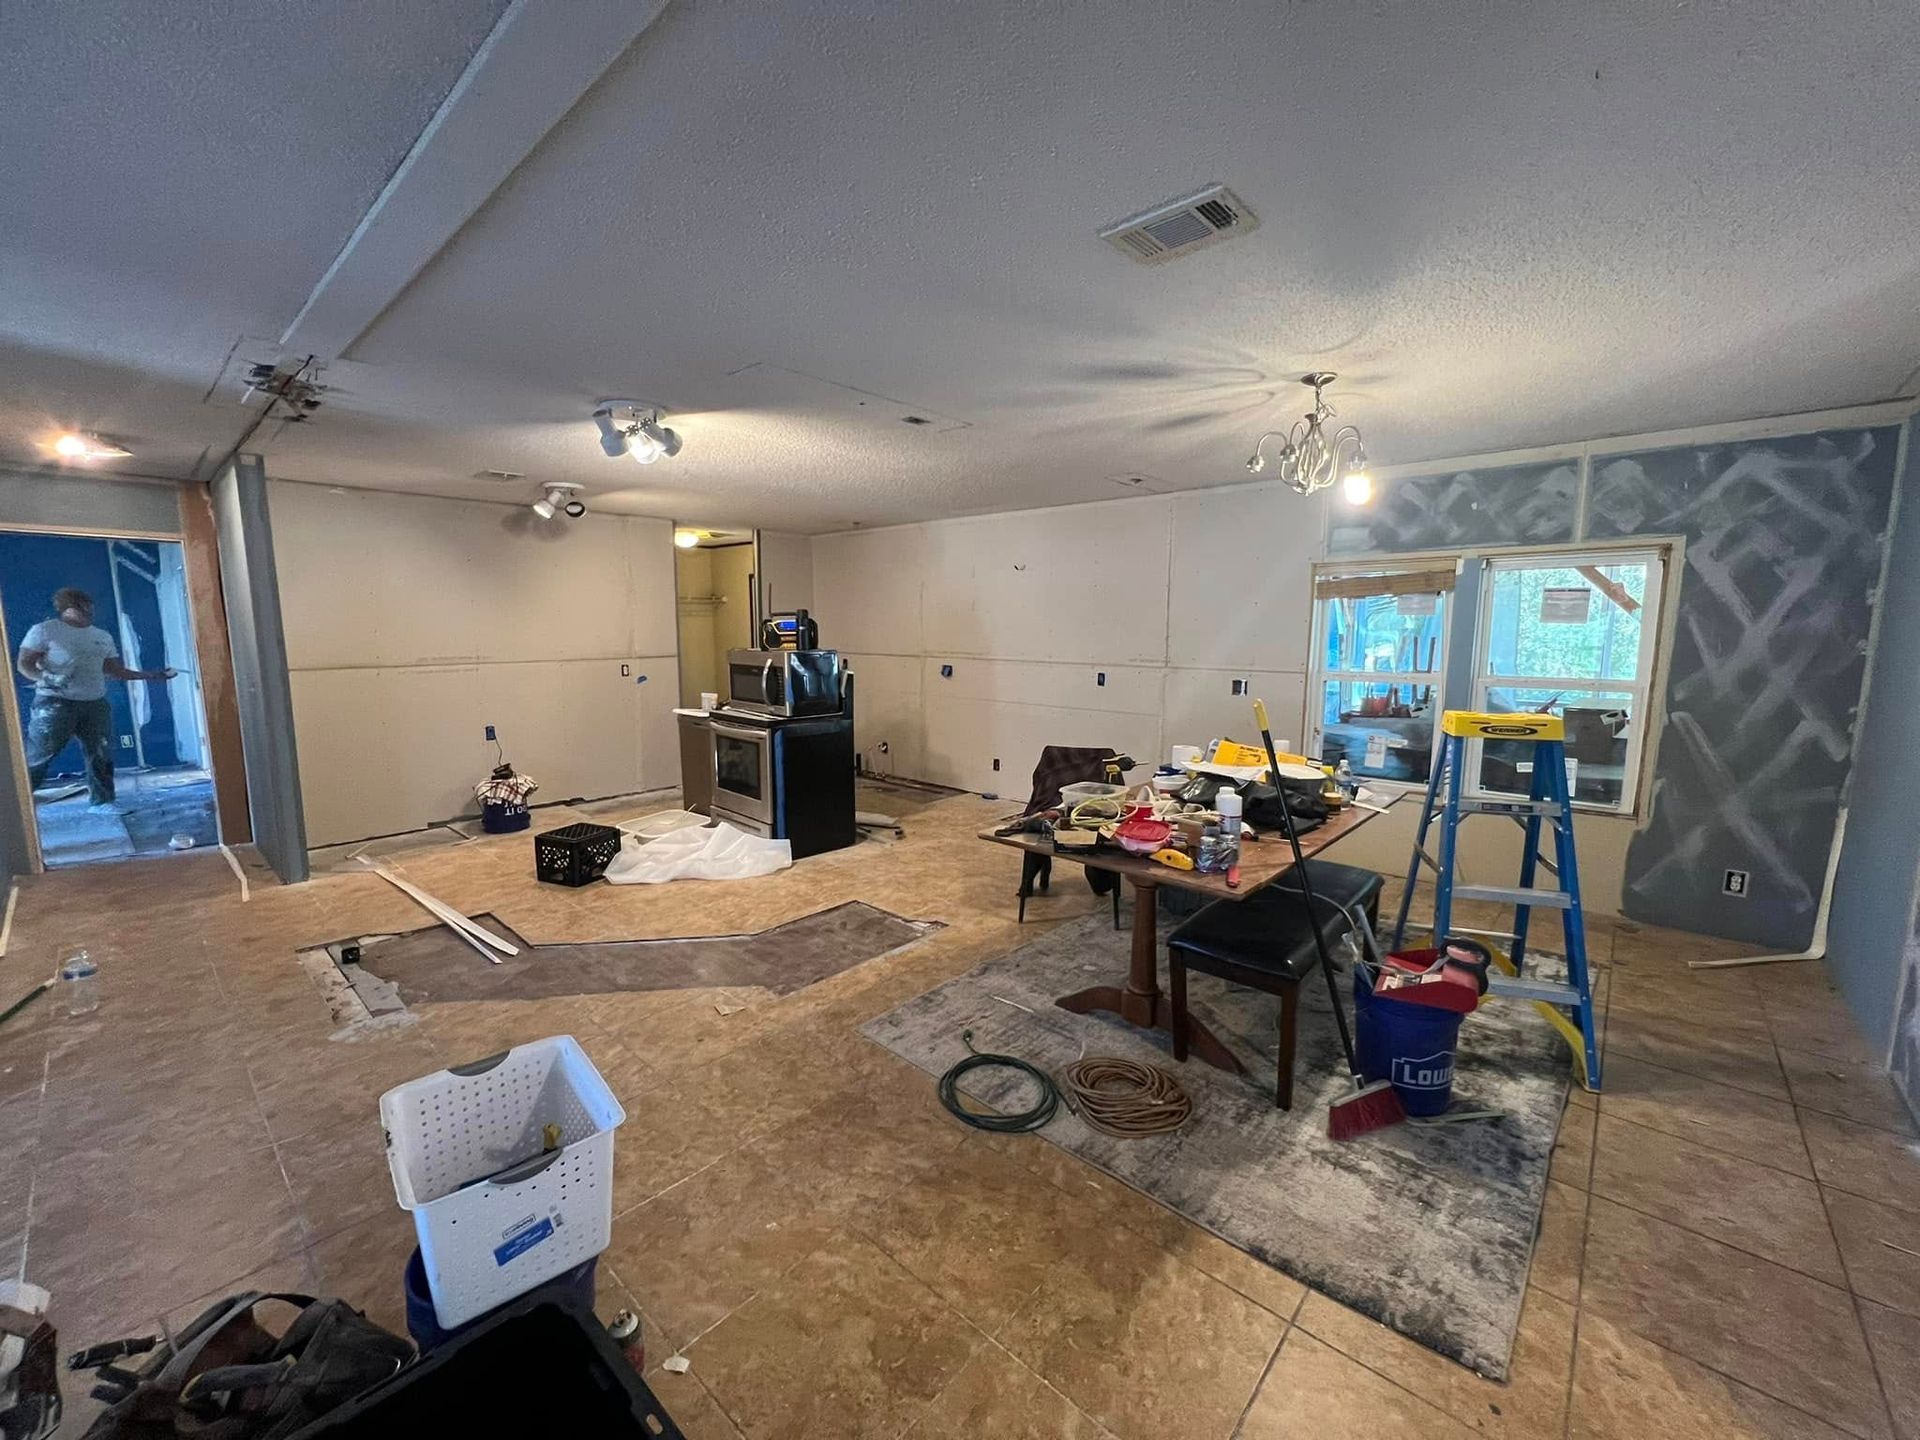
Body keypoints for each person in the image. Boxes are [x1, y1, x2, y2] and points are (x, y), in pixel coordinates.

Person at [16, 587, 175, 811]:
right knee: (40, 754)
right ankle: (15, 806)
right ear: (68, 608)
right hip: (55, 703)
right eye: (83, 606)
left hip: (95, 704)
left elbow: (114, 671)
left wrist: (152, 675)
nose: (89, 611)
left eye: (90, 607)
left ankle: (103, 802)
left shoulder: (101, 636)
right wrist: (47, 677)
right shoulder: (45, 630)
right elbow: (24, 664)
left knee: (101, 753)